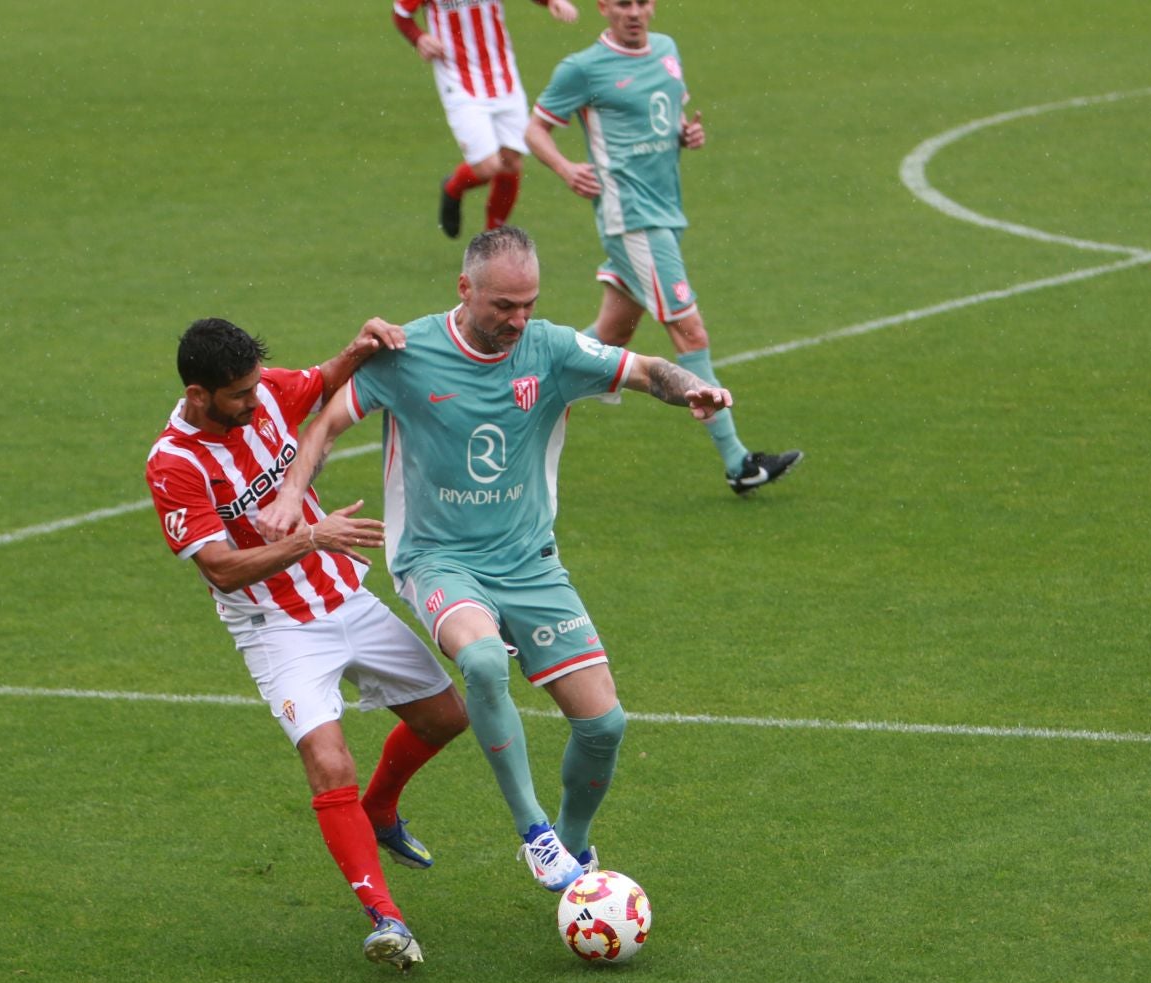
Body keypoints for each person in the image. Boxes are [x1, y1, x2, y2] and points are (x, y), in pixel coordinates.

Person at [258, 227, 729, 893]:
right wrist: (292, 490)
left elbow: (648, 370)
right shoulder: (408, 352)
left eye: (529, 304)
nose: (518, 320)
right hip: (437, 557)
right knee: (480, 659)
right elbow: (328, 424)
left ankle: (572, 844)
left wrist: (695, 390)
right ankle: (534, 832)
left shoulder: (552, 350)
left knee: (604, 726)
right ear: (464, 289)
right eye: (504, 306)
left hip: (529, 561)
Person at [146, 317, 470, 972]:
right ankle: (386, 916)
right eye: (239, 394)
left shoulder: (261, 394)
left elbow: (318, 383)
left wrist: (360, 345)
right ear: (198, 394)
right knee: (329, 762)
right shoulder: (174, 465)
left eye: (256, 386)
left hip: (344, 596)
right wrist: (307, 539)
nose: (256, 400)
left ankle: (381, 808)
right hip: (277, 630)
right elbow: (219, 569)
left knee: (447, 718)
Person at [524, 0, 802, 497]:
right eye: (623, 3)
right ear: (604, 7)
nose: (634, 12)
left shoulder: (668, 51)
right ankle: (739, 462)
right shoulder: (583, 68)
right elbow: (534, 128)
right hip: (631, 218)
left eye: (642, 2)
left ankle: (518, 386)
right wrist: (566, 169)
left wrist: (684, 133)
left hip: (664, 212)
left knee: (608, 337)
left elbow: (663, 118)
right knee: (689, 330)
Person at [393, 0, 580, 239]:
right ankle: (453, 188)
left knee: (511, 162)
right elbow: (400, 14)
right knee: (489, 166)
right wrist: (418, 38)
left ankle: (492, 238)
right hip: (458, 79)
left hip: (502, 72)